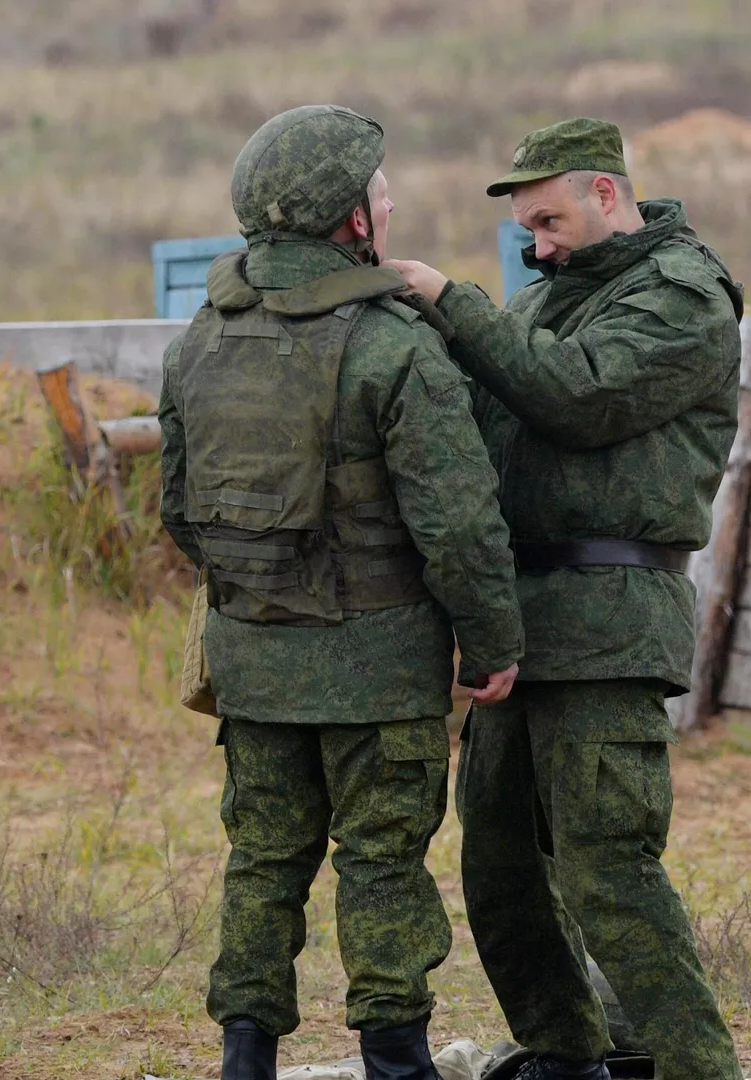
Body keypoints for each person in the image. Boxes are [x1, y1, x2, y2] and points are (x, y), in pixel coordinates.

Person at [158, 105, 525, 1080]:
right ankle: (397, 1065)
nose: (391, 199)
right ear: (351, 224)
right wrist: (490, 642)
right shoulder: (393, 345)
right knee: (381, 863)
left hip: (255, 670)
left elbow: (180, 511)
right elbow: (459, 522)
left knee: (263, 863)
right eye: (380, 189)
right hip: (380, 676)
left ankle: (245, 1058)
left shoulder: (199, 340)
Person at [384, 117, 744, 1080]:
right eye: (525, 230)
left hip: (611, 614)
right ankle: (567, 1049)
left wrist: (448, 302)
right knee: (499, 868)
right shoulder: (551, 301)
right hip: (521, 617)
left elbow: (578, 397)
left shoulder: (681, 298)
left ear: (605, 193)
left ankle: (695, 1067)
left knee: (607, 867)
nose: (535, 244)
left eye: (547, 219)